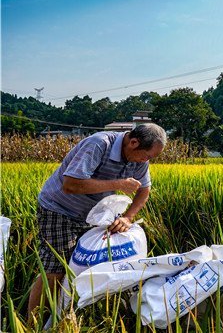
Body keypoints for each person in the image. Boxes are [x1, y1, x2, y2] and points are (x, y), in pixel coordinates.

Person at [27, 123, 167, 320]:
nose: (146, 161)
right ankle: (31, 324)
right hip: (59, 209)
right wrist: (118, 184)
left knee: (87, 266)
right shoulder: (99, 144)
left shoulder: (139, 158)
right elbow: (70, 185)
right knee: (56, 269)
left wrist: (128, 217)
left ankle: (68, 316)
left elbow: (144, 189)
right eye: (147, 156)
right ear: (133, 142)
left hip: (93, 214)